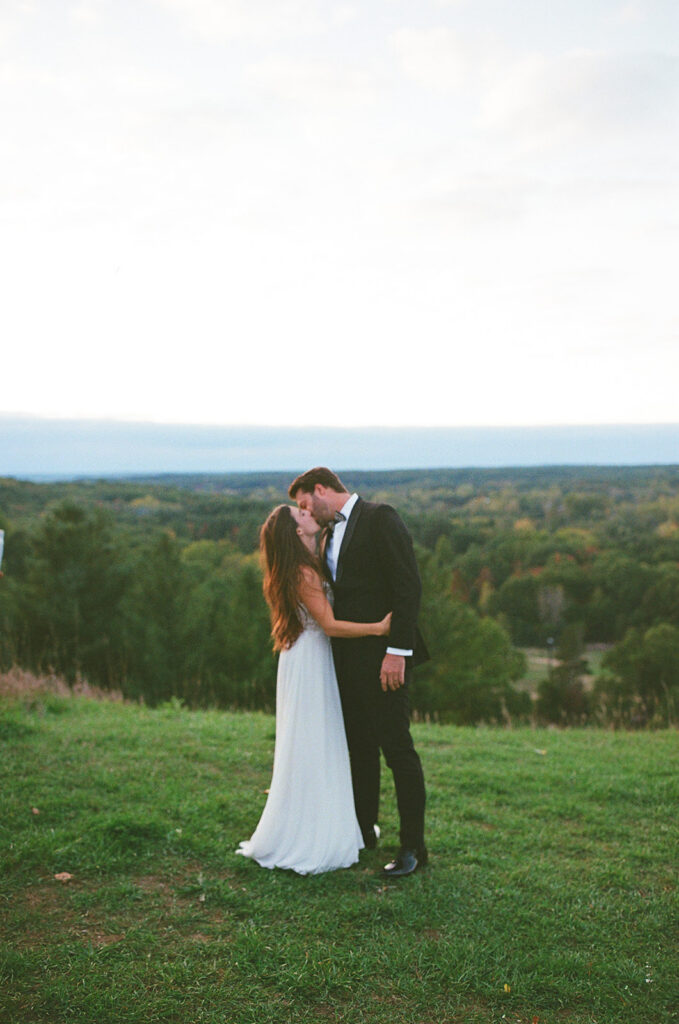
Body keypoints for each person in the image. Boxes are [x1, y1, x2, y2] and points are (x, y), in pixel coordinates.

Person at [236, 503, 392, 875]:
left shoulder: (306, 563)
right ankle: (311, 834)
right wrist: (378, 628)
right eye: (300, 515)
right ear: (296, 532)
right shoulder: (303, 573)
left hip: (303, 655)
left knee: (311, 740)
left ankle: (318, 821)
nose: (308, 513)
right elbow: (330, 624)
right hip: (310, 658)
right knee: (314, 740)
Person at [289, 468, 429, 878]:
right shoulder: (330, 533)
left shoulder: (380, 517)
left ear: (320, 490)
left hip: (386, 660)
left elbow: (408, 587)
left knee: (397, 750)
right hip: (346, 663)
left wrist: (397, 651)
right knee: (359, 750)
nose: (305, 513)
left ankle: (413, 848)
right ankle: (364, 829)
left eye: (303, 504)